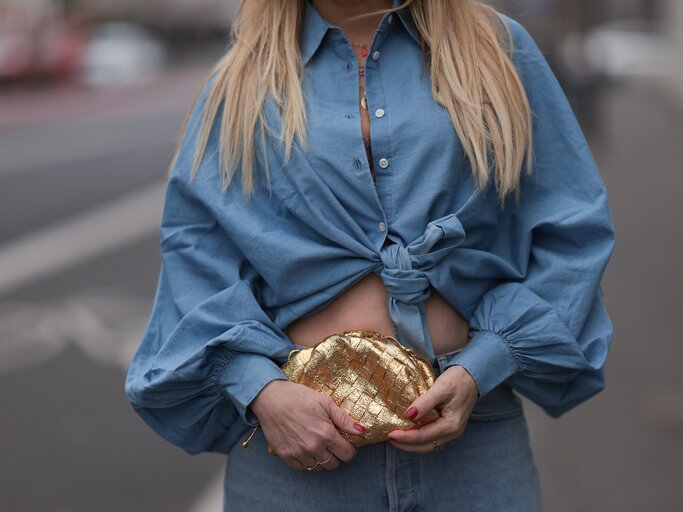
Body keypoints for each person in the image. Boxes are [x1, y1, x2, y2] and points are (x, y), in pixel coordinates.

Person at [124, 0, 616, 510]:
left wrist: (484, 366)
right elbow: (197, 248)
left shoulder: (497, 47)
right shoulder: (245, 73)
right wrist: (260, 389)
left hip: (475, 433)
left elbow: (570, 225)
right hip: (299, 440)